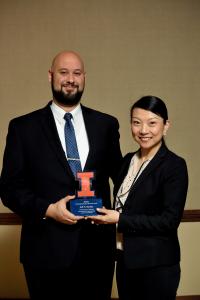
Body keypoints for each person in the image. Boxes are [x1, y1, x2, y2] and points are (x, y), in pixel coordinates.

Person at [0, 51, 122, 300]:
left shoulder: (106, 125)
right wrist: (48, 209)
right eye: (63, 72)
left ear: (84, 77)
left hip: (98, 252)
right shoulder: (23, 128)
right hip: (45, 252)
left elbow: (122, 180)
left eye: (77, 73)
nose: (70, 79)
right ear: (50, 76)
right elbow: (10, 189)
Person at [89, 95, 188, 300]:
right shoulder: (127, 161)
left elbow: (169, 221)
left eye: (152, 123)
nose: (143, 130)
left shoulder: (174, 166)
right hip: (125, 261)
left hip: (156, 266)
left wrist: (119, 219)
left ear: (166, 125)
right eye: (136, 122)